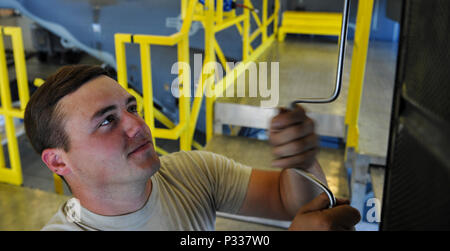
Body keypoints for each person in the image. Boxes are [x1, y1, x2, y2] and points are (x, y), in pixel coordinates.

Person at [24, 64, 360, 231]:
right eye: (107, 121)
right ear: (58, 161)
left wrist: (300, 161)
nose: (139, 126)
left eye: (132, 108)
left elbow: (287, 201)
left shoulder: (192, 173)